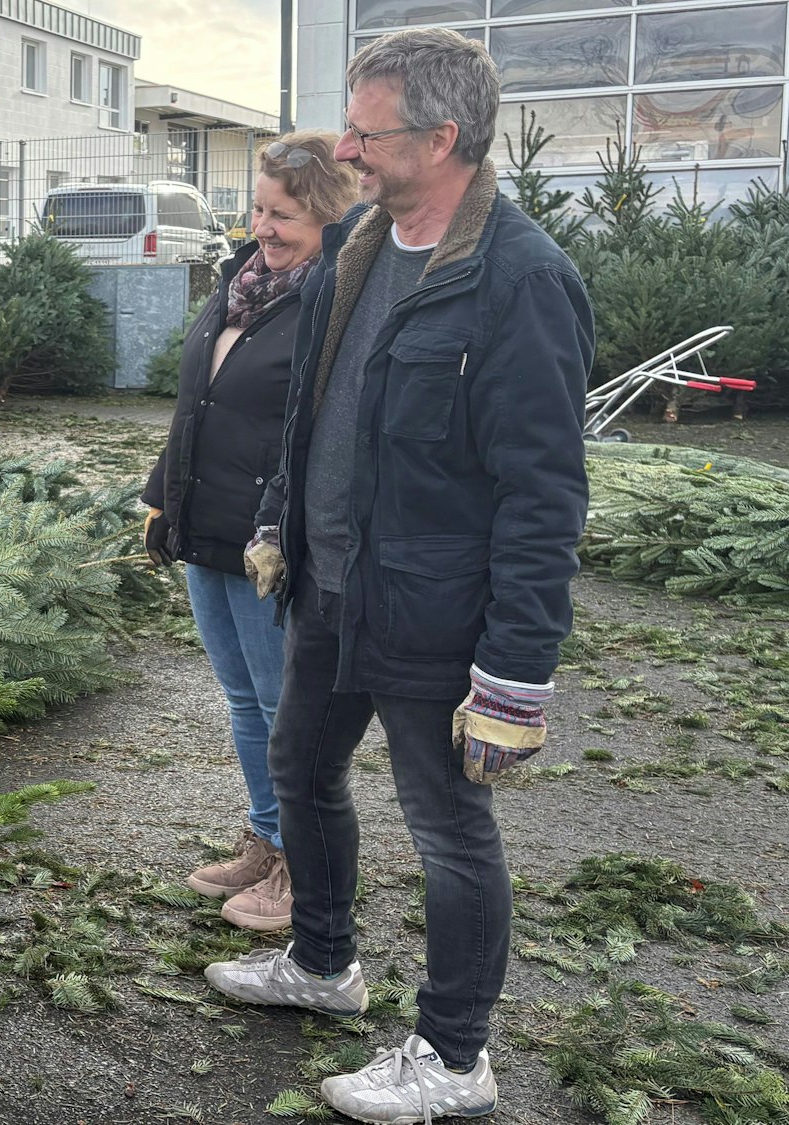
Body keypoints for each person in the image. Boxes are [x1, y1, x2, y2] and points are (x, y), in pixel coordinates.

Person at [203, 29, 593, 1124]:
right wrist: (281, 516)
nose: (345, 147)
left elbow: (542, 491)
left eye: (366, 131)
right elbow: (310, 411)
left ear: (440, 136)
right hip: (328, 589)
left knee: (448, 830)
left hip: (434, 612)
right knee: (301, 768)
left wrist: (514, 674)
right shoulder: (360, 250)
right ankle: (323, 965)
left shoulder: (515, 279)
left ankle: (453, 1056)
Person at [140, 132, 357, 934]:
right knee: (242, 697)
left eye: (285, 214)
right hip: (209, 527)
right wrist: (164, 499)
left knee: (285, 708)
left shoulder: (333, 302)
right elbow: (195, 401)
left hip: (273, 543)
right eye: (259, 208)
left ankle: (304, 869)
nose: (263, 227)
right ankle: (266, 840)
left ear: (332, 216)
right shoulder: (240, 281)